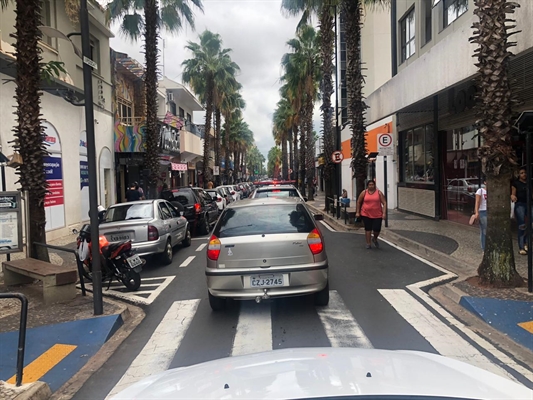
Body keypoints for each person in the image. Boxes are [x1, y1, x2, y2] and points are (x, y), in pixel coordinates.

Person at [356, 180, 387, 249]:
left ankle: (375, 238)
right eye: (369, 185)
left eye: (372, 184)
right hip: (366, 213)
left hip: (377, 214)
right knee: (368, 229)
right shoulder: (364, 192)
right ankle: (368, 243)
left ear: (374, 185)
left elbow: (384, 203)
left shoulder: (379, 193)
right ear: (367, 186)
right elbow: (359, 202)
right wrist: (358, 212)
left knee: (377, 229)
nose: (371, 186)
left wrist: (384, 213)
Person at [511, 167, 531, 255]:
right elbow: (513, 194)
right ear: (519, 175)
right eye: (522, 173)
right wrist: (512, 197)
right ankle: (521, 246)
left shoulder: (529, 183)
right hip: (520, 204)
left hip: (530, 204)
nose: (524, 174)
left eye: (525, 173)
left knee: (531, 223)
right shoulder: (516, 184)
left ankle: (527, 241)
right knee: (522, 225)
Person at [473, 179, 487, 252]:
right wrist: (477, 212)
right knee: (484, 230)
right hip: (483, 211)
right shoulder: (480, 190)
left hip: (489, 212)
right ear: (485, 182)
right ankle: (484, 247)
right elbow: (477, 202)